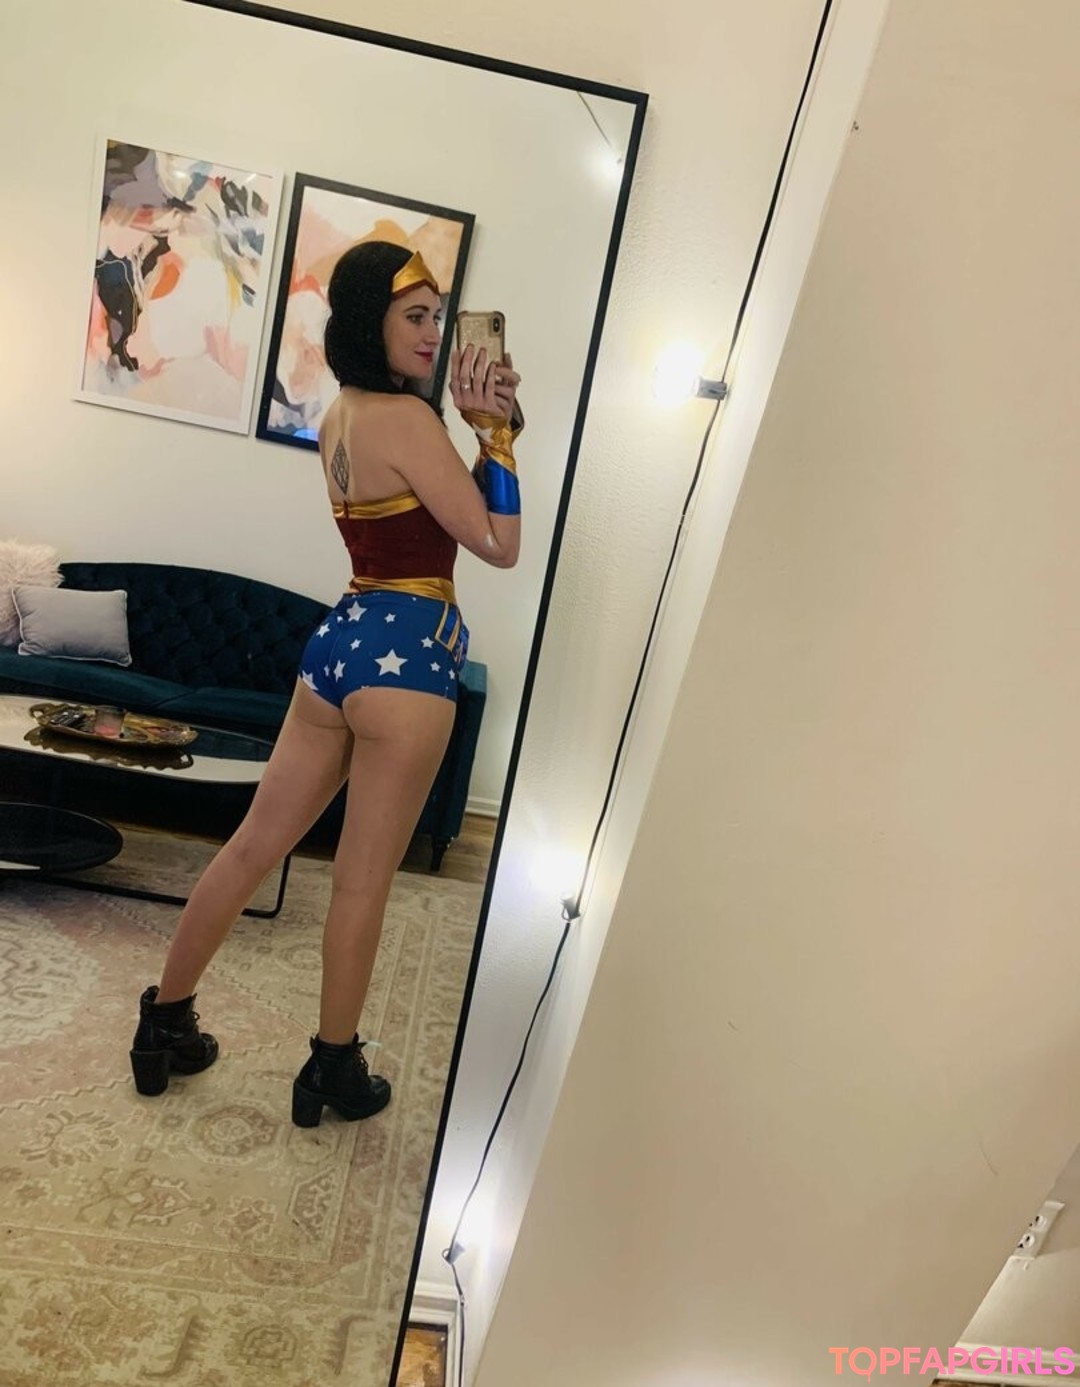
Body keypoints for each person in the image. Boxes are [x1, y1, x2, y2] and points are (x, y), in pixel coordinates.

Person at [129, 240, 522, 1128]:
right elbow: (498, 542)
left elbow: (427, 513)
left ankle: (164, 1018)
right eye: (414, 316)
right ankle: (332, 1068)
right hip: (409, 654)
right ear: (369, 321)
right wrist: (495, 435)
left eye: (436, 316)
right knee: (360, 882)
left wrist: (470, 428)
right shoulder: (410, 420)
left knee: (251, 845)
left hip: (338, 643)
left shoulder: (343, 413)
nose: (432, 333)